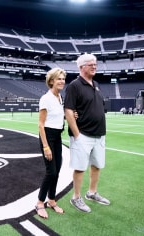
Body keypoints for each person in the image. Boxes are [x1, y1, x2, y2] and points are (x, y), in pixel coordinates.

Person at [64, 53, 110, 213]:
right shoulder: (74, 86)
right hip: (82, 134)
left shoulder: (96, 84)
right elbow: (69, 111)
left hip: (99, 134)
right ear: (81, 67)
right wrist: (77, 134)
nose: (94, 66)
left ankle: (92, 192)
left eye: (95, 64)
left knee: (97, 166)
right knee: (80, 167)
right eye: (91, 64)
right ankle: (76, 197)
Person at [35, 67, 66, 219]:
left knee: (57, 169)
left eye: (63, 79)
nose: (62, 81)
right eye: (59, 79)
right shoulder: (45, 98)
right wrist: (46, 146)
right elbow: (41, 124)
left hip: (58, 136)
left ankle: (51, 200)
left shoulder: (60, 98)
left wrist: (71, 115)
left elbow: (58, 117)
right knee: (51, 171)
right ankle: (40, 203)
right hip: (47, 137)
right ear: (52, 81)